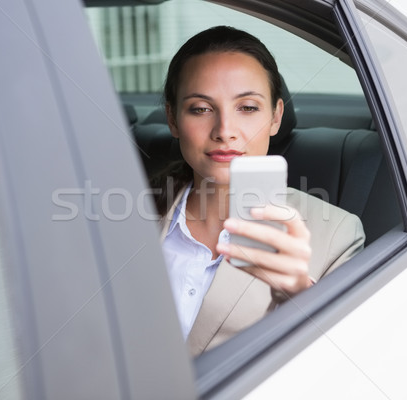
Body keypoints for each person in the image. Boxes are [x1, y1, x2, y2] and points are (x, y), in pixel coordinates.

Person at [153, 26, 365, 356]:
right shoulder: (132, 217)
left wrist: (298, 296)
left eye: (248, 107)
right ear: (173, 119)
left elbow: (343, 364)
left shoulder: (335, 235)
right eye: (201, 108)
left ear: (276, 116)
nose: (225, 131)